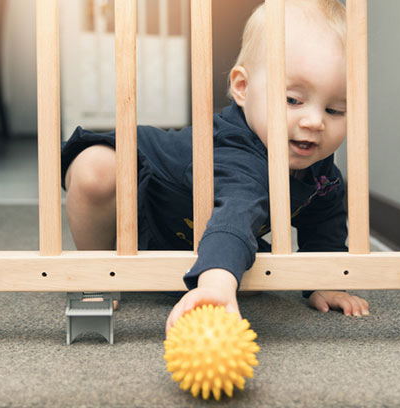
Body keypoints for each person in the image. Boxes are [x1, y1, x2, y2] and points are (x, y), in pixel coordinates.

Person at [60, 0, 369, 335]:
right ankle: (95, 270)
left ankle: (204, 260)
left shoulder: (317, 166)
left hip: (183, 232)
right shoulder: (238, 154)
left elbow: (324, 217)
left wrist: (324, 279)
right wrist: (217, 286)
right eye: (292, 100)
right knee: (96, 169)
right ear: (243, 88)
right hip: (140, 198)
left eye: (335, 110)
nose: (314, 122)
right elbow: (236, 212)